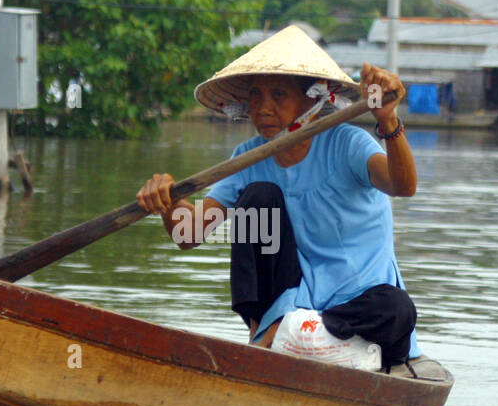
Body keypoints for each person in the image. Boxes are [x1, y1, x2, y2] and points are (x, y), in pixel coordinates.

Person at [135, 24, 445, 380]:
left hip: (360, 307)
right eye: (255, 95)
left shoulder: (346, 144)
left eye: (278, 95)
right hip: (291, 308)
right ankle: (267, 332)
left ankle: (293, 338)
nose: (262, 108)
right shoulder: (247, 159)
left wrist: (387, 119)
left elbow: (402, 186)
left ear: (313, 100)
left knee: (397, 308)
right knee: (258, 198)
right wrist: (169, 201)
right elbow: (187, 234)